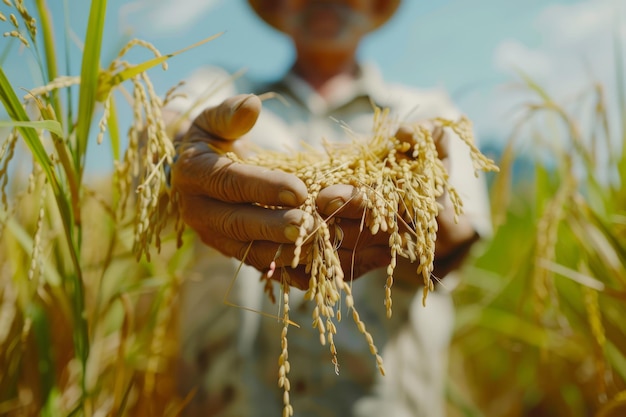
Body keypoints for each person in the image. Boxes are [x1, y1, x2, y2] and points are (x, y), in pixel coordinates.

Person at [168, 1, 492, 416]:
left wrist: (424, 222)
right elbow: (163, 129)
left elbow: (457, 233)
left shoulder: (429, 116)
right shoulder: (224, 92)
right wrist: (180, 150)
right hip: (229, 403)